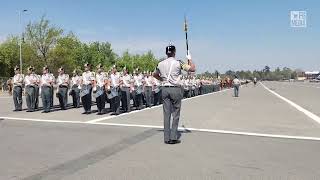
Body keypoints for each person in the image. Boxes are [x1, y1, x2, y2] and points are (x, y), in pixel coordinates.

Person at [153, 44, 195, 144]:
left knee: (166, 114)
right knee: (175, 114)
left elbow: (154, 74)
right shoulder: (178, 63)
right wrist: (190, 59)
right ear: (174, 52)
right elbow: (192, 69)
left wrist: (162, 79)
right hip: (175, 89)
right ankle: (173, 137)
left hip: (165, 89)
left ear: (166, 53)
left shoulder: (160, 63)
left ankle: (166, 138)